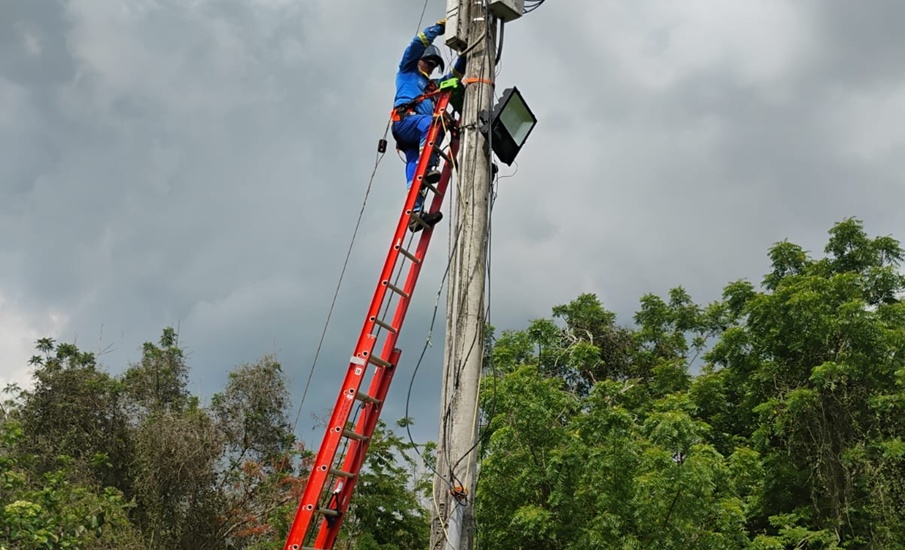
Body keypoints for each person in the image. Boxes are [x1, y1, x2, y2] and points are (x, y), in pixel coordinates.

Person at [391, 19, 466, 230]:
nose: (431, 67)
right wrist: (438, 29)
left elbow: (455, 76)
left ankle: (415, 214)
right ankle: (429, 166)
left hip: (416, 137)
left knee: (415, 171)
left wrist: (466, 54)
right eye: (428, 62)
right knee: (434, 123)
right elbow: (416, 45)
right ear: (419, 60)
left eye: (434, 65)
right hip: (406, 122)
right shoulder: (407, 71)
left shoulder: (434, 85)